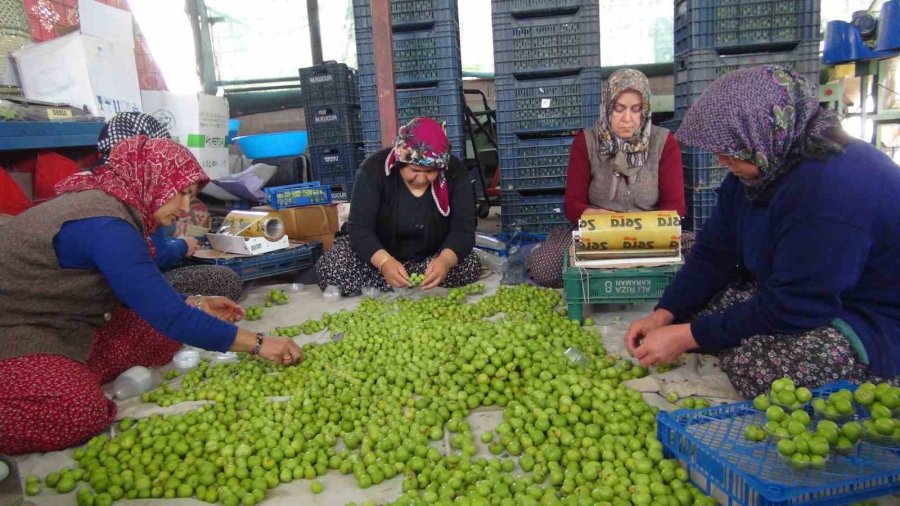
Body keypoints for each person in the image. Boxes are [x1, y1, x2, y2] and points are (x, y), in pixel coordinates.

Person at [0, 137, 302, 455]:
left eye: (191, 196)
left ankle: (59, 373)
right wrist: (258, 343)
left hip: (75, 321)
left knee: (162, 336)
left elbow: (139, 290)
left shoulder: (123, 209)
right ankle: (43, 379)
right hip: (19, 327)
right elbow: (168, 314)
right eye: (181, 193)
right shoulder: (105, 224)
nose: (185, 209)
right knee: (79, 412)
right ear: (151, 177)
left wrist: (193, 302)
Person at [624, 65, 900, 398]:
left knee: (760, 368)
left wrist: (688, 336)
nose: (722, 160)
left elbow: (796, 304)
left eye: (731, 149)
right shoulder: (761, 166)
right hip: (796, 290)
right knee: (690, 312)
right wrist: (664, 313)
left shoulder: (830, 188)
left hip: (868, 316)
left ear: (761, 130)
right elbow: (713, 252)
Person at [527, 68, 687, 288]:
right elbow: (572, 204)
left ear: (645, 110)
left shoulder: (663, 142)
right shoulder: (586, 142)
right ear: (607, 107)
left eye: (635, 109)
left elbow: (675, 207)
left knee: (701, 263)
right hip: (597, 233)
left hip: (651, 235)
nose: (627, 119)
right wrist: (600, 218)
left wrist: (637, 229)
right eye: (619, 109)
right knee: (545, 268)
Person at [317, 117, 480, 296]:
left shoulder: (455, 172)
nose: (421, 179)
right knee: (333, 266)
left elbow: (463, 230)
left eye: (430, 172)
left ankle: (403, 280)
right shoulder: (373, 170)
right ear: (399, 161)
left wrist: (445, 261)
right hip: (379, 253)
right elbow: (360, 228)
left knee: (468, 266)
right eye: (414, 170)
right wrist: (384, 262)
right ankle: (402, 279)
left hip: (431, 255)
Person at [95, 112, 243, 302]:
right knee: (225, 280)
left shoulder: (104, 182)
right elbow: (155, 257)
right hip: (119, 297)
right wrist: (182, 246)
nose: (185, 208)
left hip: (122, 289)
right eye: (182, 193)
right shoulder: (135, 196)